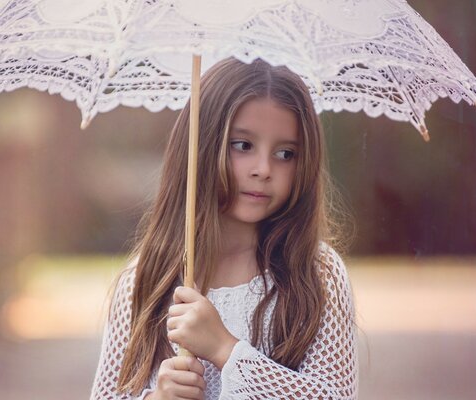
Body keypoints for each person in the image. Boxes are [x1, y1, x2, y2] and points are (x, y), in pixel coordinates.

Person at [89, 57, 358, 399]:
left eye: (286, 153)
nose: (263, 168)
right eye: (243, 146)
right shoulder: (148, 279)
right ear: (201, 146)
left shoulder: (317, 273)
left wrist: (226, 350)